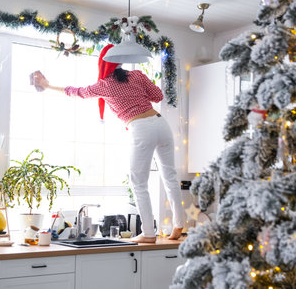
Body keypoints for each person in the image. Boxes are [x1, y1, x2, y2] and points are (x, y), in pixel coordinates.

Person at [30, 44, 184, 243]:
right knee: (170, 176)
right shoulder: (136, 75)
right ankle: (179, 223)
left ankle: (148, 233)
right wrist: (138, 93)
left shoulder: (104, 85)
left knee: (138, 182)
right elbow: (158, 96)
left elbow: (76, 92)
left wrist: (48, 85)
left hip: (141, 128)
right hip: (161, 124)